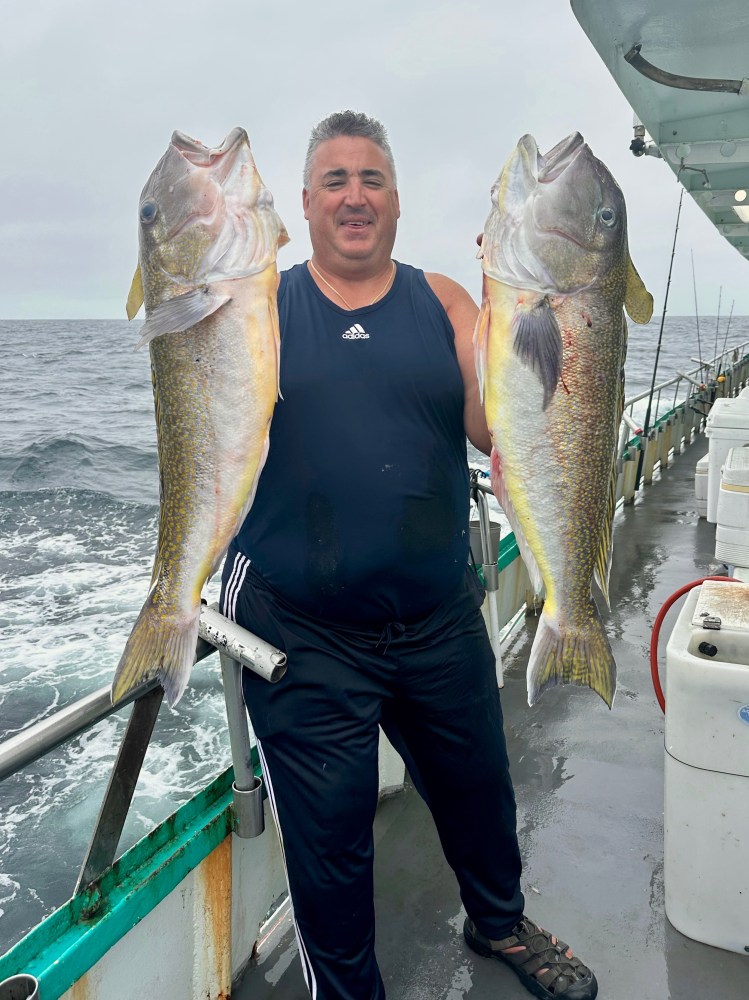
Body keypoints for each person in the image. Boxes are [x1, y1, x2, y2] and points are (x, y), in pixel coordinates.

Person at [220, 110, 598, 1000]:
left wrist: (513, 298)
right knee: (331, 841)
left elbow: (489, 424)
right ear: (304, 205)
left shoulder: (443, 300)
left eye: (373, 180)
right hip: (300, 628)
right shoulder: (260, 308)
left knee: (478, 792)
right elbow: (209, 427)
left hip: (435, 615)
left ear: (397, 200)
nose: (356, 196)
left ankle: (498, 923)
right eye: (336, 181)